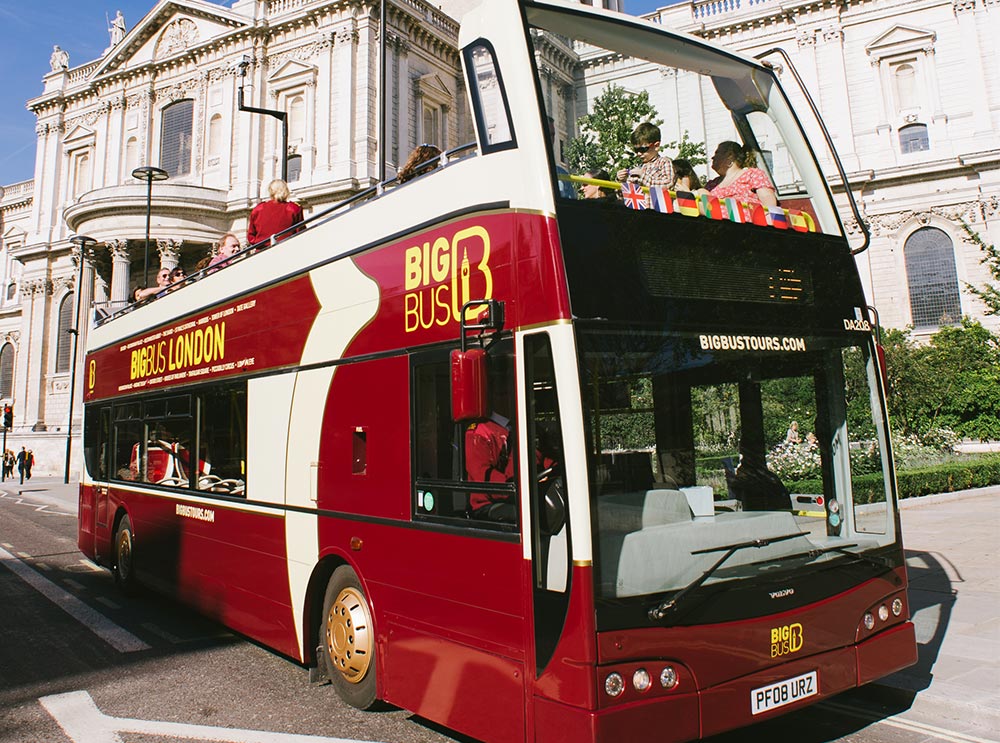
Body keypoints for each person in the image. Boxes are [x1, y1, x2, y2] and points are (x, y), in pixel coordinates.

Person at [466, 412, 516, 522]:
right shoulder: (479, 431)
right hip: (486, 505)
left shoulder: (519, 426)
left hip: (512, 495)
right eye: (502, 394)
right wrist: (513, 489)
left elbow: (537, 456)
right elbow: (481, 473)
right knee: (525, 516)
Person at [700, 140, 778, 208]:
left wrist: (770, 219)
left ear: (730, 156)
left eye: (717, 153)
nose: (713, 158)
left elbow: (767, 199)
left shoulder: (752, 175)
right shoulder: (711, 185)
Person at [616, 122, 675, 197]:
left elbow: (668, 184)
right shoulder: (637, 168)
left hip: (656, 207)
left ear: (656, 146)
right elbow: (624, 197)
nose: (639, 153)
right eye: (636, 150)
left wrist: (643, 176)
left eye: (643, 149)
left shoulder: (664, 162)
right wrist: (622, 181)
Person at [247, 179, 304, 247]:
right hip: (287, 248)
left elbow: (251, 237)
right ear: (286, 191)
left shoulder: (258, 209)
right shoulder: (293, 208)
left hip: (262, 251)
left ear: (270, 191)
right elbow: (301, 232)